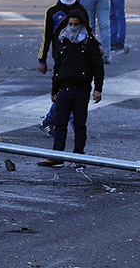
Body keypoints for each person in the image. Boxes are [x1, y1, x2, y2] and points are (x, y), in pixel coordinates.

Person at [38, 9, 104, 167]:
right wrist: (54, 90)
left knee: (79, 124)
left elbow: (98, 68)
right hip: (64, 88)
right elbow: (58, 68)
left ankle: (79, 156)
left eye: (76, 24)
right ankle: (57, 155)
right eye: (71, 24)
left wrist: (98, 88)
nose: (73, 27)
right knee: (60, 124)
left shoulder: (89, 43)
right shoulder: (63, 40)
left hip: (81, 89)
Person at [37, 0, 89, 135]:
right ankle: (57, 121)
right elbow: (46, 37)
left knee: (70, 90)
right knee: (65, 90)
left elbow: (89, 34)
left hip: (78, 59)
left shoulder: (81, 11)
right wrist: (42, 59)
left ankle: (57, 121)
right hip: (59, 58)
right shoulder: (52, 12)